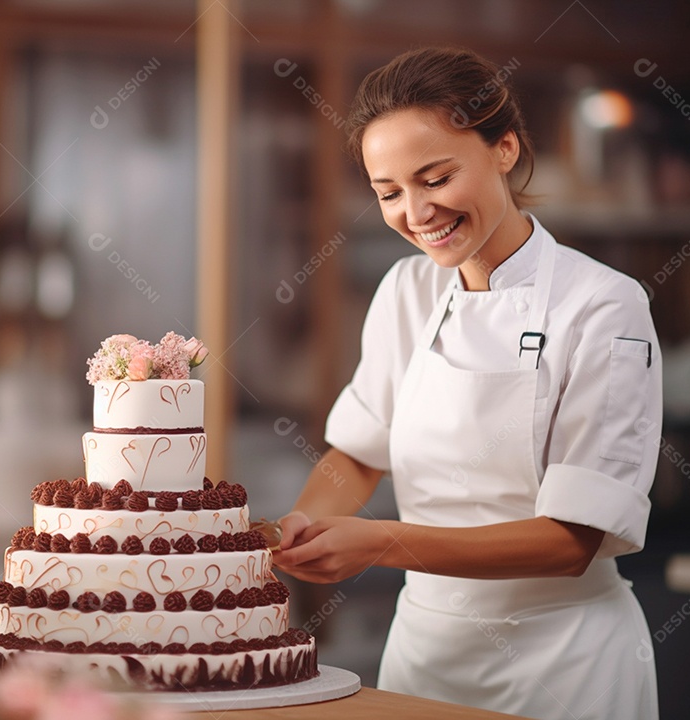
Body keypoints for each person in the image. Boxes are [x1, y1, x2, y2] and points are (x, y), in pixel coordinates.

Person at [273, 46, 661, 720]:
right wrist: (303, 526)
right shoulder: (406, 290)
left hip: (566, 663)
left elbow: (574, 540)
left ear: (504, 148)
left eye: (436, 177)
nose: (416, 213)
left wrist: (383, 541)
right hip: (426, 657)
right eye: (389, 192)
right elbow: (360, 454)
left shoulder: (603, 305)